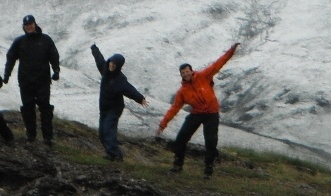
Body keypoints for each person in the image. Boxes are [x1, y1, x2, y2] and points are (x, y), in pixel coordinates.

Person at [158, 42, 239, 177]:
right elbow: (175, 108)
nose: (186, 74)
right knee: (181, 138)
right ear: (181, 75)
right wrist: (163, 124)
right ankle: (177, 165)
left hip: (212, 113)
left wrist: (231, 51)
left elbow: (218, 64)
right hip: (196, 114)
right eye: (183, 73)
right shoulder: (182, 91)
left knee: (211, 141)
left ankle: (208, 169)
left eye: (187, 71)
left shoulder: (204, 76)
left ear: (192, 71)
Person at [4, 14, 60, 145]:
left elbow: (54, 55)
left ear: (35, 24)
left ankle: (47, 137)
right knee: (28, 108)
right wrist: (7, 74)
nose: (29, 27)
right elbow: (11, 58)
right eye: (26, 25)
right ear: (23, 27)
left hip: (43, 80)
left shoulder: (46, 40)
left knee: (45, 108)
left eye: (30, 24)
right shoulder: (19, 42)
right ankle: (31, 135)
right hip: (25, 81)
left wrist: (56, 70)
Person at [91, 44, 149, 162]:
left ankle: (115, 156)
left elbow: (129, 90)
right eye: (111, 62)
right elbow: (99, 59)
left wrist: (140, 99)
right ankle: (112, 154)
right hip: (104, 108)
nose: (112, 65)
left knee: (108, 130)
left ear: (119, 66)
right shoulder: (105, 69)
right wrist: (94, 49)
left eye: (115, 64)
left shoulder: (120, 79)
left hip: (114, 109)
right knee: (102, 133)